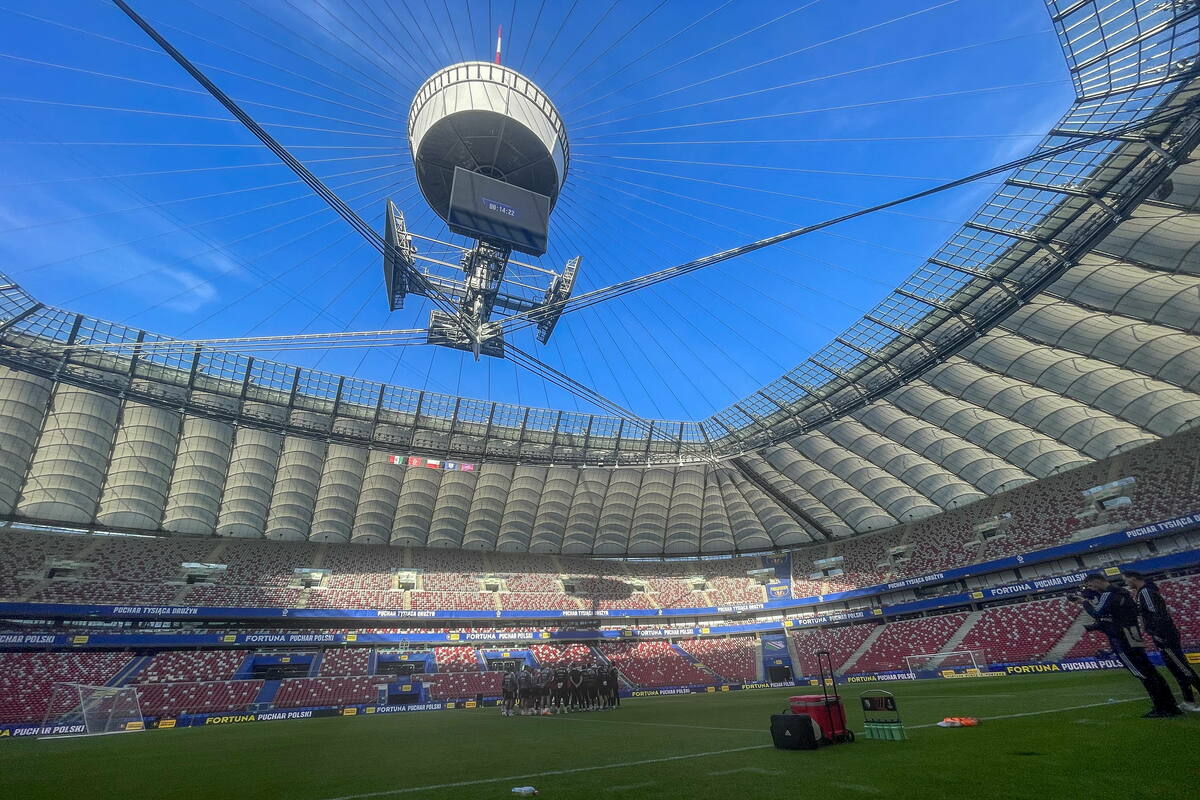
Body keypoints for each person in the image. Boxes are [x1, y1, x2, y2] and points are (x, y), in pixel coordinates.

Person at [1069, 574, 1181, 718]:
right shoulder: (1122, 593)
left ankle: (1162, 707)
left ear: (1096, 582)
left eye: (1090, 585)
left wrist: (1083, 602)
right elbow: (1118, 616)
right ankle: (1170, 705)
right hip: (1133, 635)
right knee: (1150, 670)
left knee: (1142, 673)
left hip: (1122, 639)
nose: (1090, 589)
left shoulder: (1109, 594)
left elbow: (1097, 612)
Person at [1123, 570, 1200, 712]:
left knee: (1182, 668)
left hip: (1164, 636)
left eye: (1126, 580)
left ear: (1133, 578)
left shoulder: (1145, 592)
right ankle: (1188, 701)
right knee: (1177, 670)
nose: (1126, 583)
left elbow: (1157, 615)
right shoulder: (1142, 593)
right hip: (1162, 635)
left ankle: (1190, 699)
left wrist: (1159, 634)